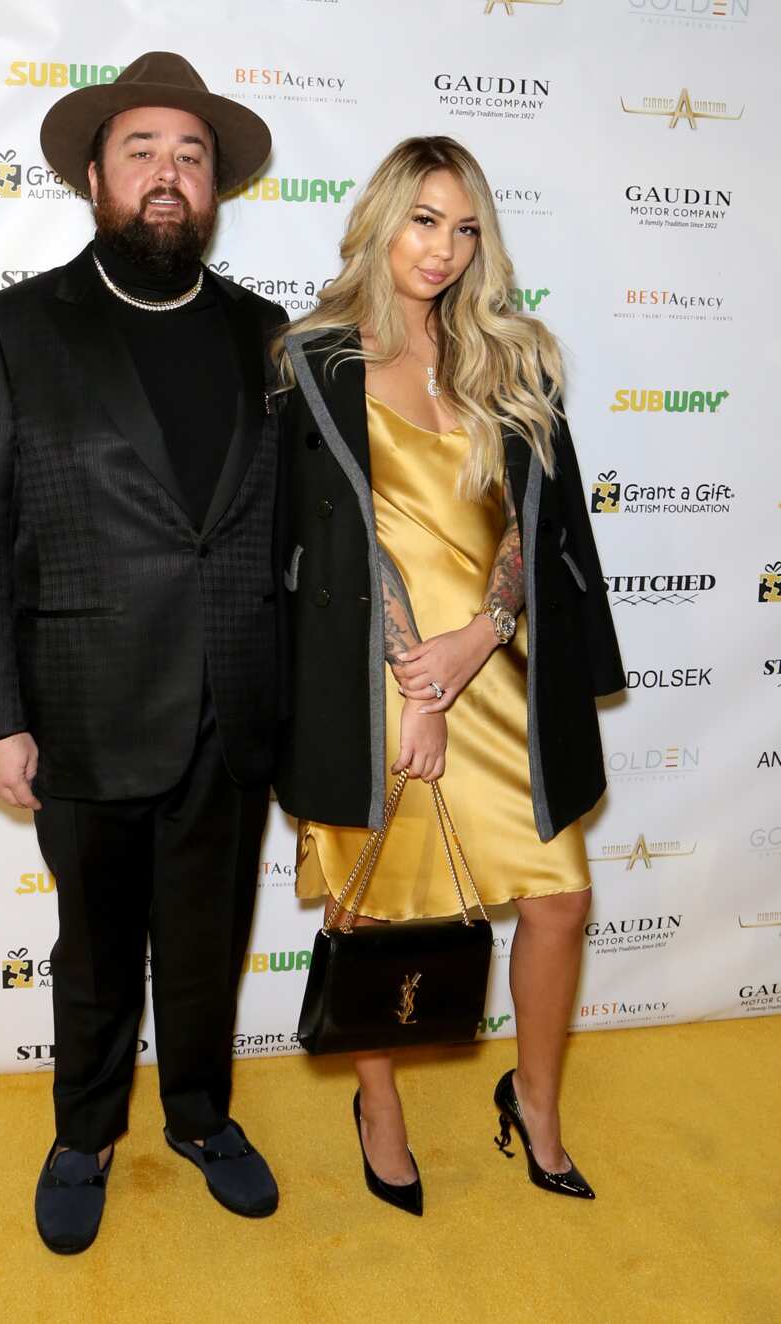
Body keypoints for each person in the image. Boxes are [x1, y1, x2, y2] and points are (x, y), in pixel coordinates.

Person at [0, 51, 287, 1254]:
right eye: (141, 150)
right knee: (94, 952)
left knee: (209, 939)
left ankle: (199, 1116)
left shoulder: (265, 333)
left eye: (191, 155)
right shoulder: (15, 329)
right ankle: (82, 1132)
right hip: (80, 703)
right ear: (93, 175)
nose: (168, 174)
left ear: (216, 187)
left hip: (234, 703)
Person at [274, 136, 624, 1214]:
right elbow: (317, 545)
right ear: (381, 218)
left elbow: (535, 523)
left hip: (496, 670)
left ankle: (535, 1098)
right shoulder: (311, 359)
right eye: (425, 219)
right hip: (375, 679)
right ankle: (377, 1104)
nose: (444, 247)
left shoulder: (512, 357)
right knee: (371, 906)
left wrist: (481, 634)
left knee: (559, 899)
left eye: (465, 226)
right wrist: (414, 685)